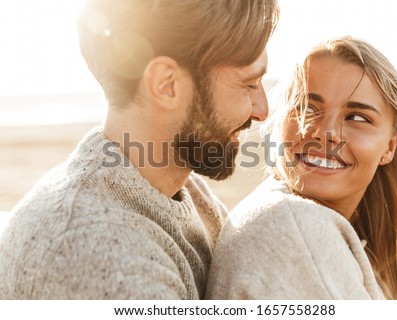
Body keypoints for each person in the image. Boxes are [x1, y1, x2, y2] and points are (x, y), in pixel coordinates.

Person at [0, 0, 279, 299]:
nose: (262, 110)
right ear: (166, 84)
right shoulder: (94, 254)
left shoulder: (184, 188)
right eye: (249, 84)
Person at [206, 36, 397, 299]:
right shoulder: (297, 225)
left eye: (356, 117)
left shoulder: (303, 220)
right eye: (307, 108)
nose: (326, 133)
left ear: (390, 146)